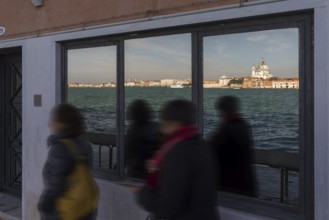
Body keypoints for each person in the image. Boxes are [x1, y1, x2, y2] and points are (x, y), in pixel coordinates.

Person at [135, 100, 219, 220]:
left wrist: (142, 192)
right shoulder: (202, 146)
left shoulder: (177, 152)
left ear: (170, 121)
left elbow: (165, 206)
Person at [38, 104, 99, 220]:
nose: (51, 123)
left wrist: (44, 205)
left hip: (64, 210)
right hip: (85, 207)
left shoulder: (61, 147)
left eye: (54, 119)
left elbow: (56, 185)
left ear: (63, 123)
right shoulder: (84, 143)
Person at [208, 96, 256, 196]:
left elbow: (213, 151)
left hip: (230, 186)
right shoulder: (243, 125)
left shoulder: (225, 130)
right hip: (246, 183)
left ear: (221, 110)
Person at [126, 100, 160, 179]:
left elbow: (129, 153)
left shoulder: (133, 130)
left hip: (137, 172)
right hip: (155, 171)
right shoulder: (156, 126)